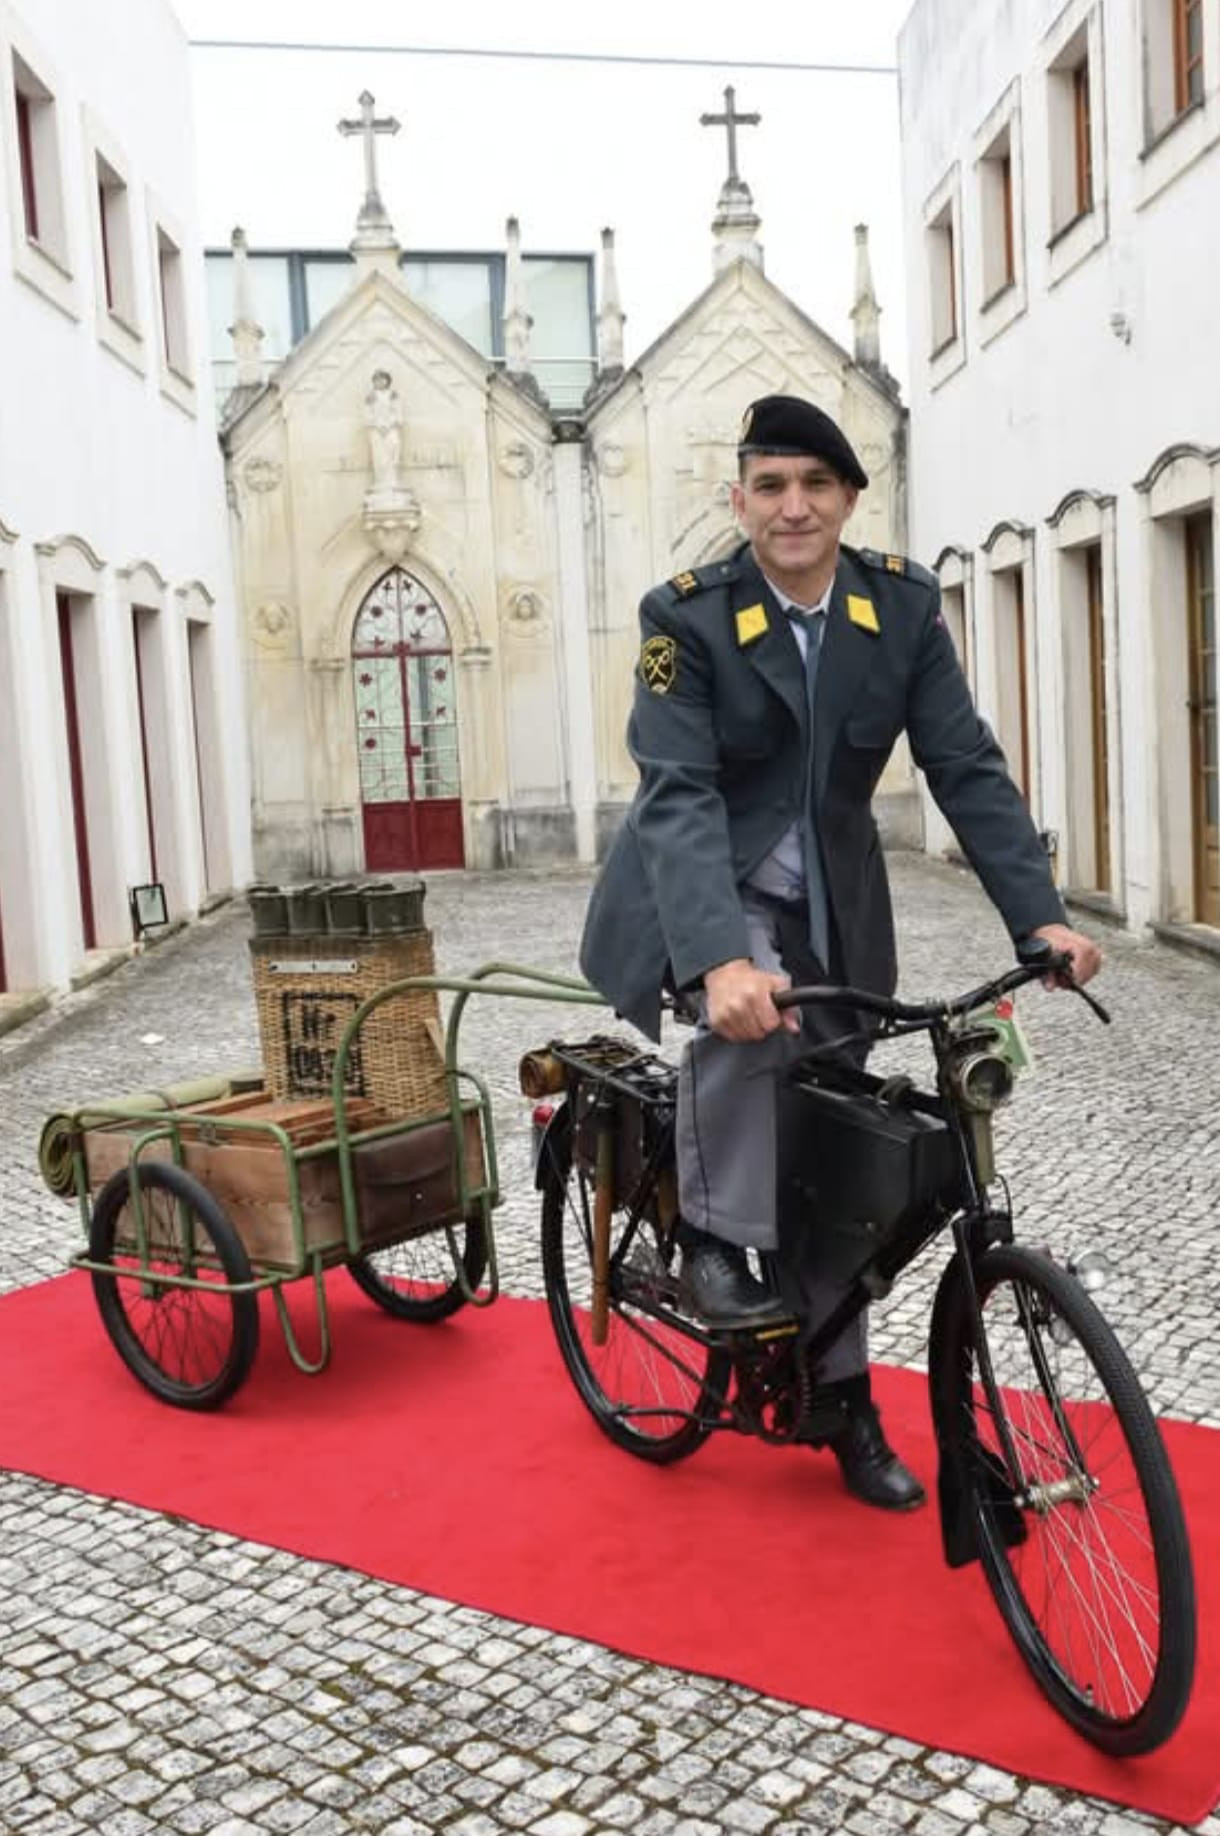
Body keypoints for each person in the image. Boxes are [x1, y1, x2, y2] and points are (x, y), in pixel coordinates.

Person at [579, 392, 1102, 1512]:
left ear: (851, 500)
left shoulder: (897, 610)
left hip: (834, 908)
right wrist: (716, 960)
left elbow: (963, 763)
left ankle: (839, 1396)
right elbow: (678, 796)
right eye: (770, 486)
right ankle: (710, 1237)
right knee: (755, 1022)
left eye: (816, 485)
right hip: (704, 892)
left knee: (844, 1162)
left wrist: (1039, 920)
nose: (793, 507)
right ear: (739, 500)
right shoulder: (686, 618)